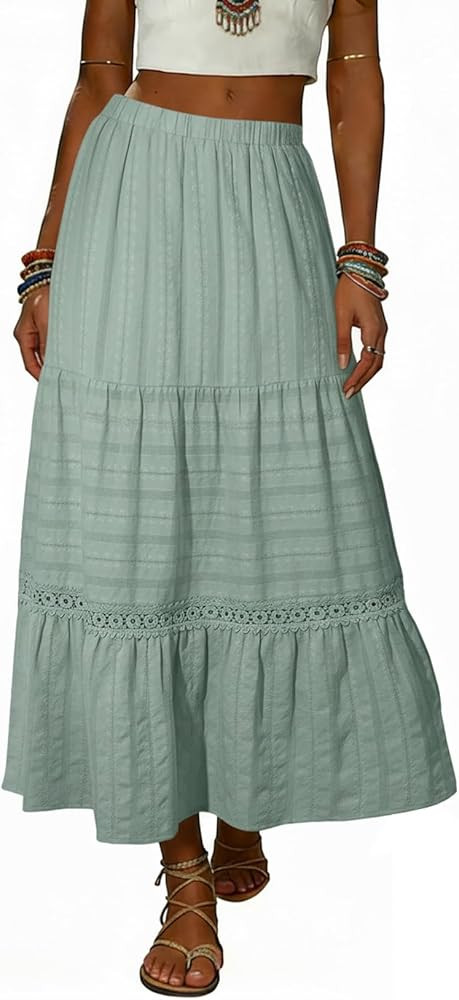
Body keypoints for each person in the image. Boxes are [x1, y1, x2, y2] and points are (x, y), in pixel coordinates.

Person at [2, 0, 456, 996]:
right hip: (133, 198)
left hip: (269, 200)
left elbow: (354, 70)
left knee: (269, 508)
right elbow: (98, 80)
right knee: (143, 516)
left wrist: (360, 258)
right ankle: (184, 872)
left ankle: (244, 796)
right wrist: (45, 262)